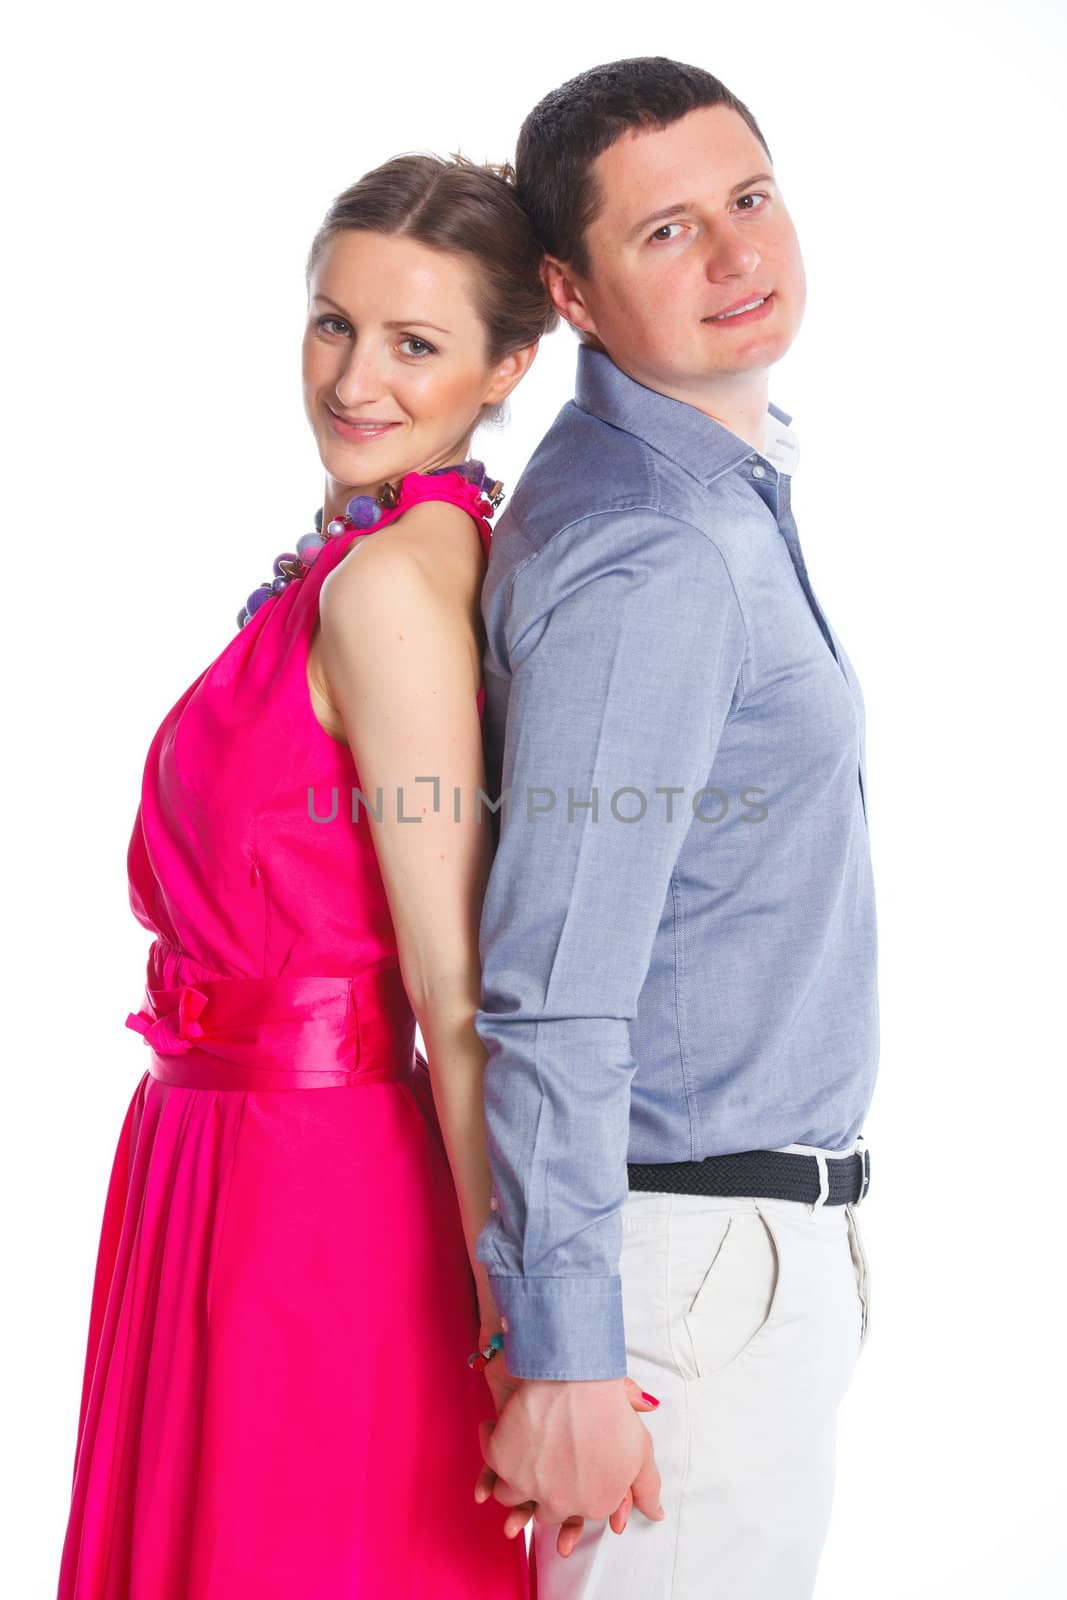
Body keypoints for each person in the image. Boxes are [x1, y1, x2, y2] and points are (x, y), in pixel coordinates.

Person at [55, 150, 655, 1600]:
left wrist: (529, 1333)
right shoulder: (375, 550)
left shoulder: (390, 585)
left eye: (414, 344)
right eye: (332, 323)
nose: (353, 380)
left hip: (307, 1196)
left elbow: (457, 990)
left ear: (513, 358)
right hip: (216, 1164)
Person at [471, 58, 879, 1599]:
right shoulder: (656, 552)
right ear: (570, 290)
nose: (735, 256)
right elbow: (554, 980)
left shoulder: (708, 487)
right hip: (682, 1283)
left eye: (750, 199)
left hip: (727, 1256)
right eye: (666, 233)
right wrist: (568, 1355)